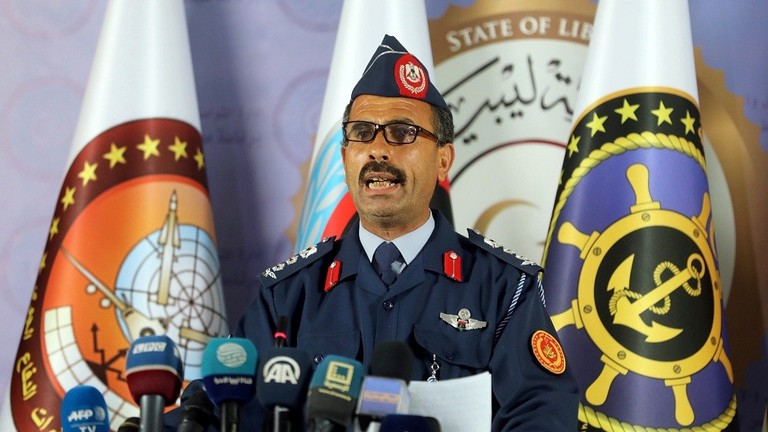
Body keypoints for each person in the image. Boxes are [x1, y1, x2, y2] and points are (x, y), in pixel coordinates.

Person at [168, 34, 579, 431]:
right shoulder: (287, 296)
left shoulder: (505, 288)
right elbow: (222, 410)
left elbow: (542, 412)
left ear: (443, 159)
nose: (378, 149)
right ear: (345, 156)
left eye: (402, 132)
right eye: (362, 133)